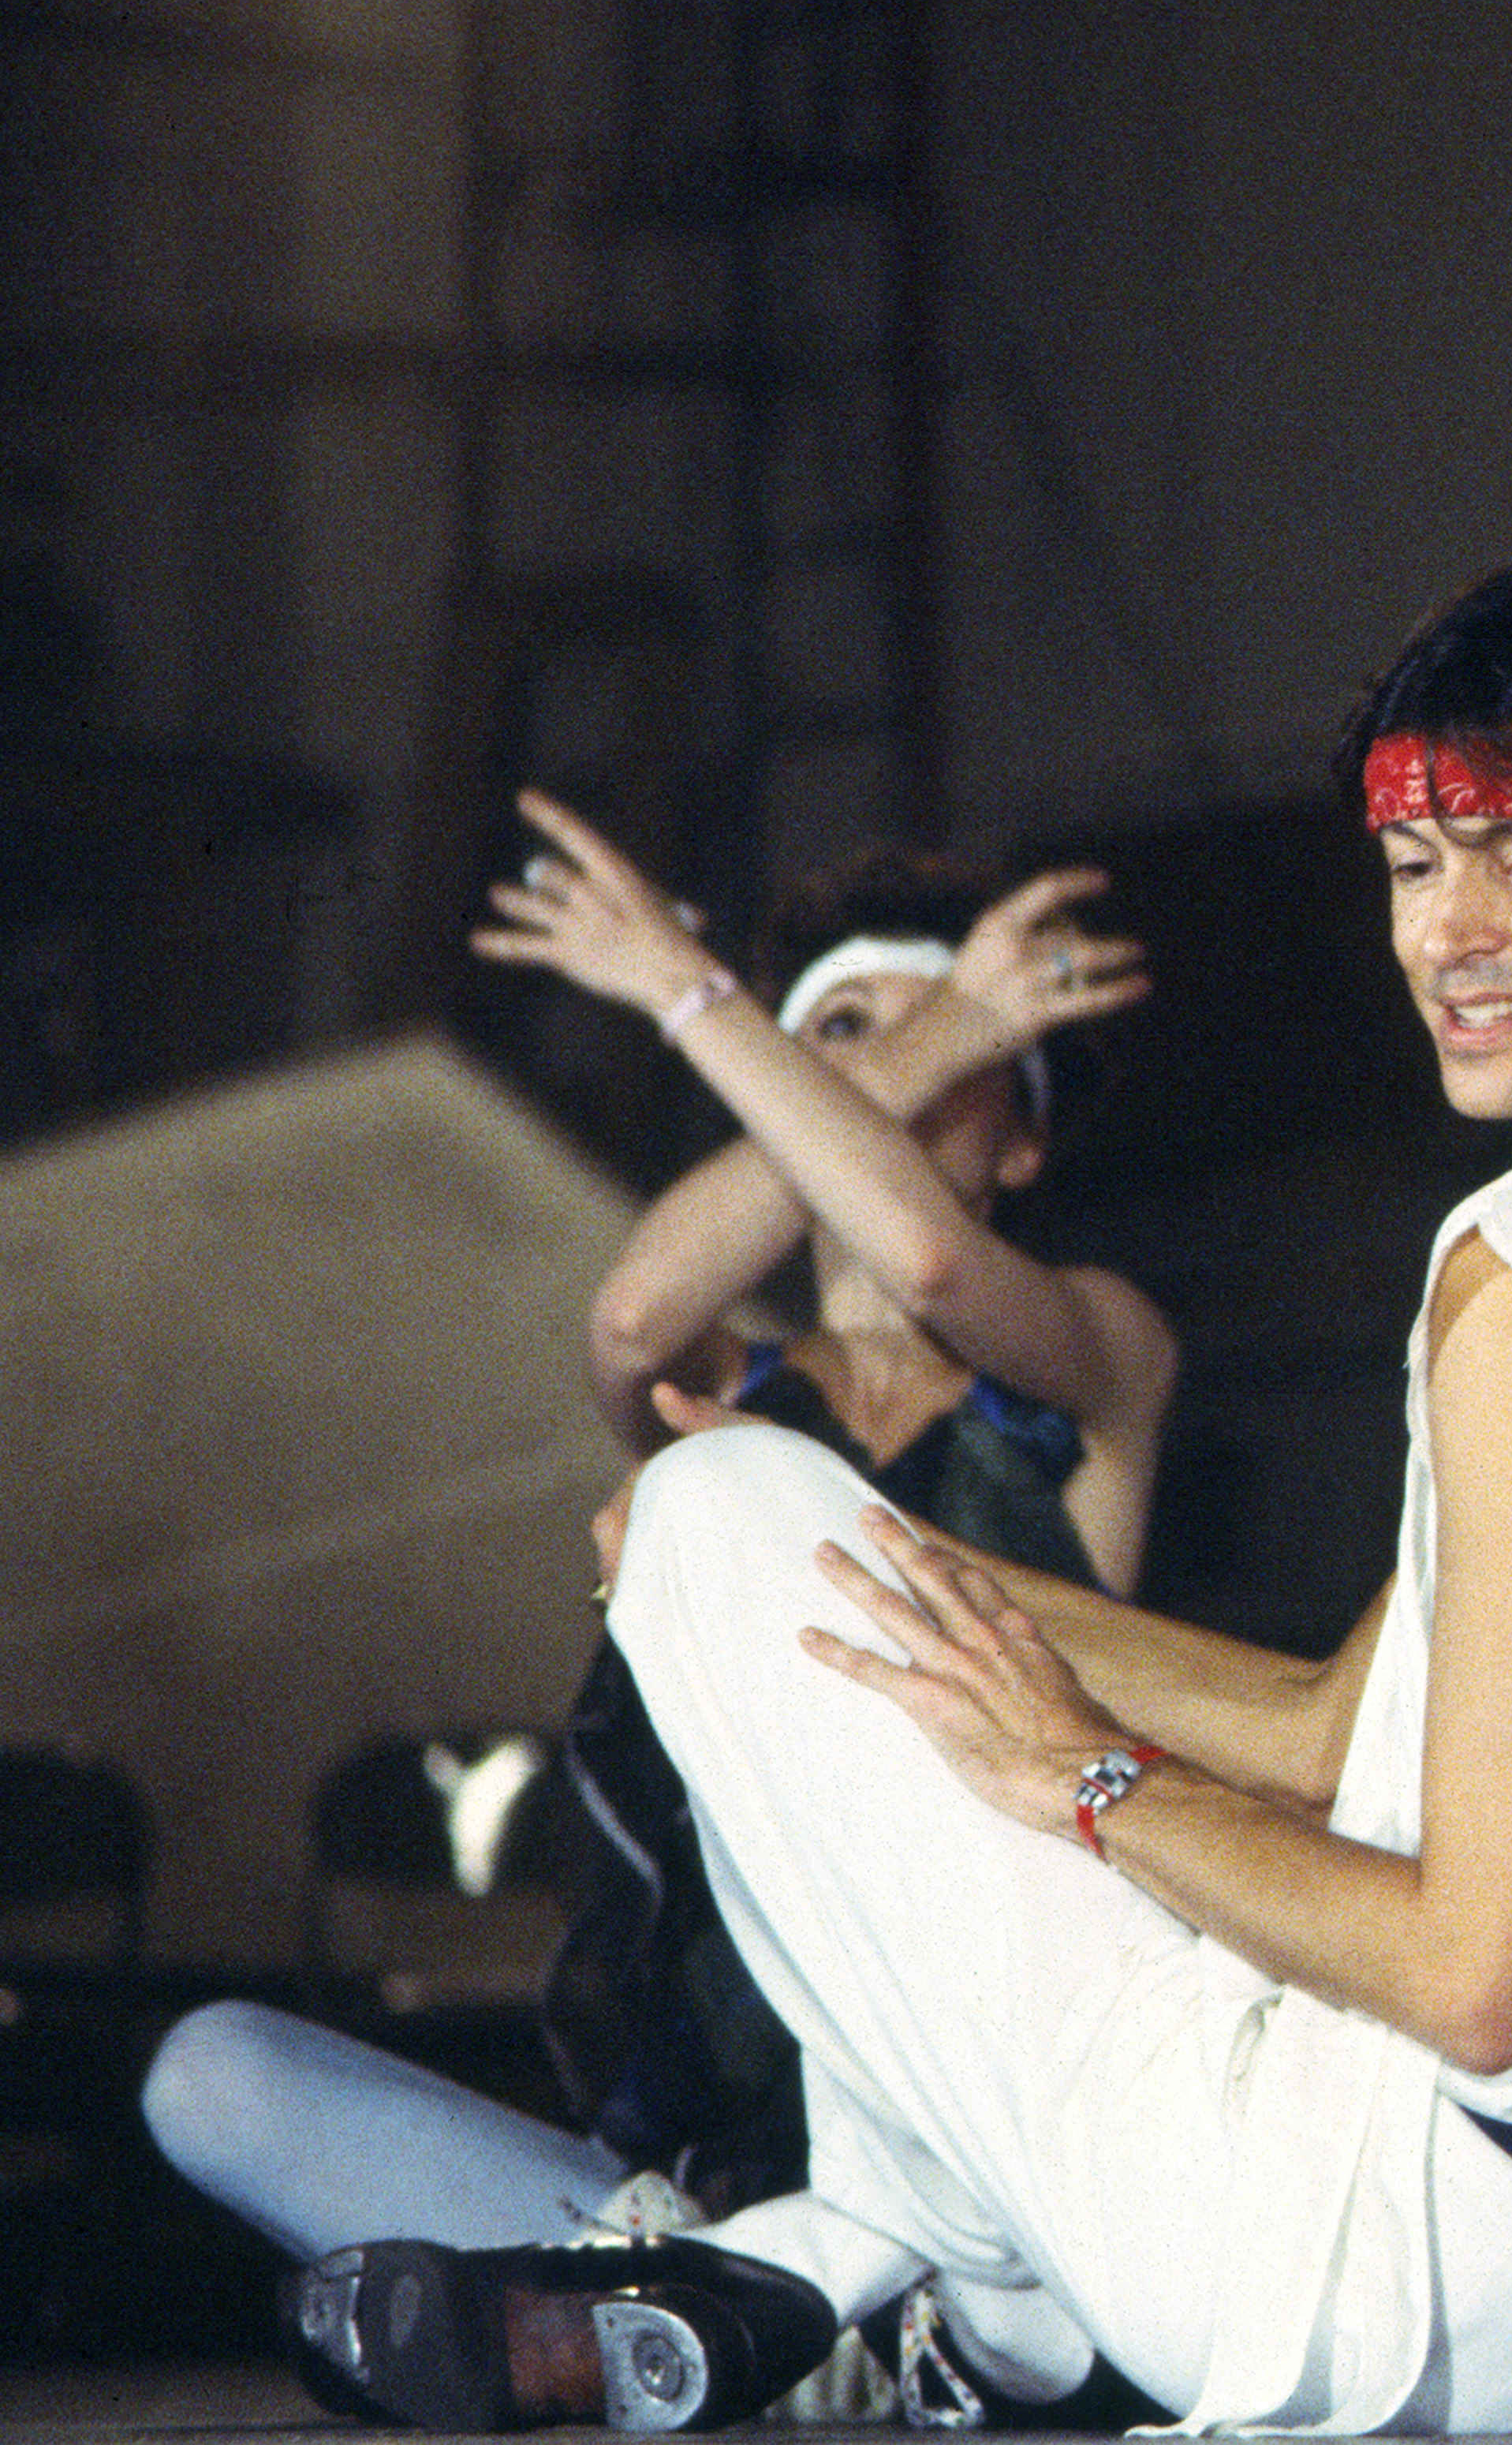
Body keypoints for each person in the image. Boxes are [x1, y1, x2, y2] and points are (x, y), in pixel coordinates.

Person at [275, 563, 1512, 2434]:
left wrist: (1089, 1779)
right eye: (1412, 867)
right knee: (775, 1553)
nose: (1453, 933)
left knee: (713, 1514)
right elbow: (1335, 1726)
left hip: (1390, 2269)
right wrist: (921, 1599)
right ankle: (820, 2282)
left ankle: (921, 2293)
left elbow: (1468, 1980)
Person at [142, 813, 1172, 2306]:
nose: (894, 1071)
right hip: (750, 2168)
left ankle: (872, 2323)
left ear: (1022, 1137)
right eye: (833, 1042)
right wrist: (930, 1023)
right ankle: (759, 2314)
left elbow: (934, 1262)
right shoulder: (724, 1386)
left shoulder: (1103, 1348)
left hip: (1020, 2154)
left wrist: (704, 996)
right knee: (213, 2077)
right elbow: (629, 1318)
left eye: (958, 1059)